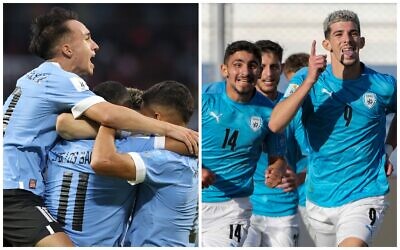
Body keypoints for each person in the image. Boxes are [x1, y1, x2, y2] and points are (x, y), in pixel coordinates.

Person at [2, 7, 197, 247]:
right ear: (67, 49)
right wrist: (170, 129)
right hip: (14, 191)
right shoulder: (63, 79)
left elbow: (64, 125)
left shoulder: (33, 78)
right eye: (87, 38)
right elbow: (108, 114)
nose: (95, 46)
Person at [269, 10, 396, 247]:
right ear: (327, 43)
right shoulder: (308, 77)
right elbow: (276, 123)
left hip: (365, 193)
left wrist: (388, 148)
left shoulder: (384, 85)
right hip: (320, 198)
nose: (347, 39)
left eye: (353, 33)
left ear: (361, 41)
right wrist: (309, 81)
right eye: (339, 34)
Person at [91, 80, 198, 247]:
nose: (137, 123)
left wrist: (111, 118)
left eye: (141, 116)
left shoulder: (165, 160)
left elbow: (103, 160)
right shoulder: (190, 156)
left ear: (157, 118)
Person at [201, 40, 286, 247]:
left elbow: (278, 158)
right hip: (191, 200)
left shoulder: (270, 113)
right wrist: (199, 167)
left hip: (233, 208)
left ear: (258, 72)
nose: (245, 72)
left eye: (252, 65)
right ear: (225, 70)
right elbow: (182, 139)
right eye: (238, 64)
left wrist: (276, 170)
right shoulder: (205, 98)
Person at [243, 40, 309, 247]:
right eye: (262, 67)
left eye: (274, 67)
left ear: (282, 69)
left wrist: (299, 177)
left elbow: (315, 154)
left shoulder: (293, 108)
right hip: (244, 207)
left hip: (282, 208)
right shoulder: (238, 108)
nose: (268, 74)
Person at [282, 52, 315, 245]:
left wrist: (300, 177)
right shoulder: (288, 114)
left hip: (322, 193)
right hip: (300, 199)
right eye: (292, 86)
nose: (297, 92)